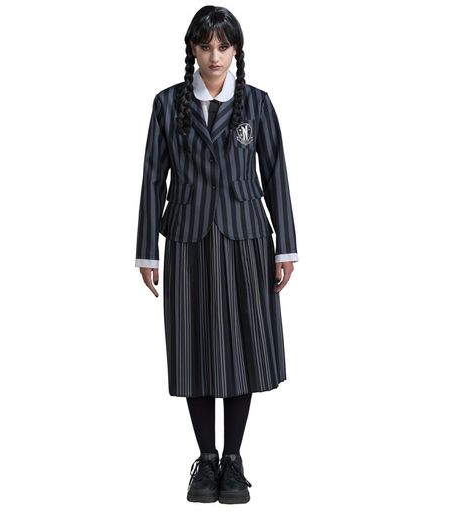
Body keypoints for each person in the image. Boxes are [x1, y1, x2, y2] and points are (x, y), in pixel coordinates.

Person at [134, 5, 298, 504]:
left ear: (236, 50)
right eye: (205, 46)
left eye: (223, 46)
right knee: (195, 346)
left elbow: (276, 173)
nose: (214, 56)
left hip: (247, 239)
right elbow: (152, 178)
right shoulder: (167, 104)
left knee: (245, 345)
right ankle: (205, 460)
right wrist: (146, 252)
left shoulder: (257, 104)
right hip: (187, 239)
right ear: (192, 48)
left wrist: (286, 246)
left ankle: (234, 459)